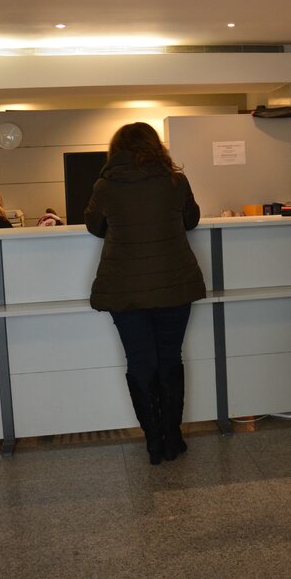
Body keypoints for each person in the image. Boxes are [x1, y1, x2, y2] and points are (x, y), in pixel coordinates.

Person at [85, 122, 206, 465]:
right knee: (170, 358)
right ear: (155, 146)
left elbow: (94, 226)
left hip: (124, 291)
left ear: (116, 150)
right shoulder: (175, 181)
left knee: (140, 363)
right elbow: (191, 220)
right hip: (174, 286)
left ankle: (154, 441)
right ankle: (173, 437)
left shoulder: (106, 184)